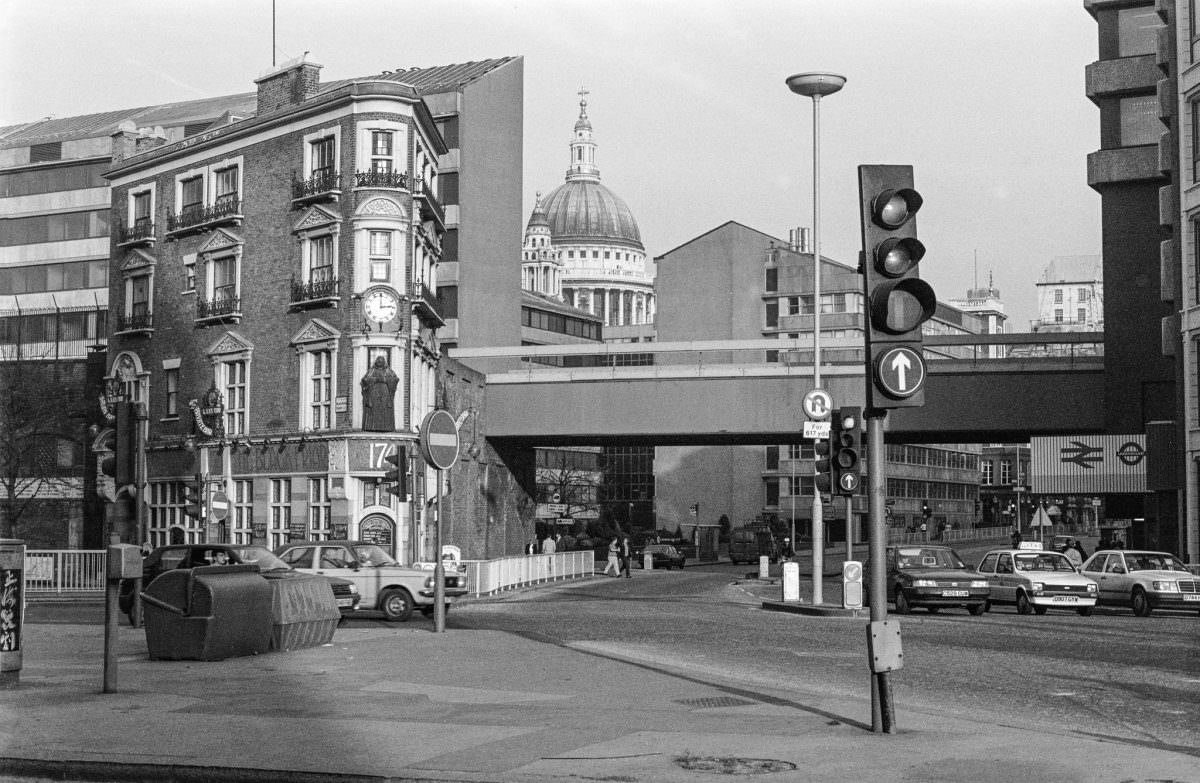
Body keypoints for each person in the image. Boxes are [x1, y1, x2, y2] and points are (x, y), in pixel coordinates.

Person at [360, 356, 399, 432]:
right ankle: (371, 427)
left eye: (381, 361)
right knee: (372, 411)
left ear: (384, 362)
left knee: (385, 411)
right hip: (373, 395)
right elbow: (365, 380)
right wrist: (375, 379)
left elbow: (395, 380)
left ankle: (386, 427)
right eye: (378, 360)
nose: (379, 362)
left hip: (385, 395)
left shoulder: (389, 371)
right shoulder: (371, 371)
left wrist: (385, 380)